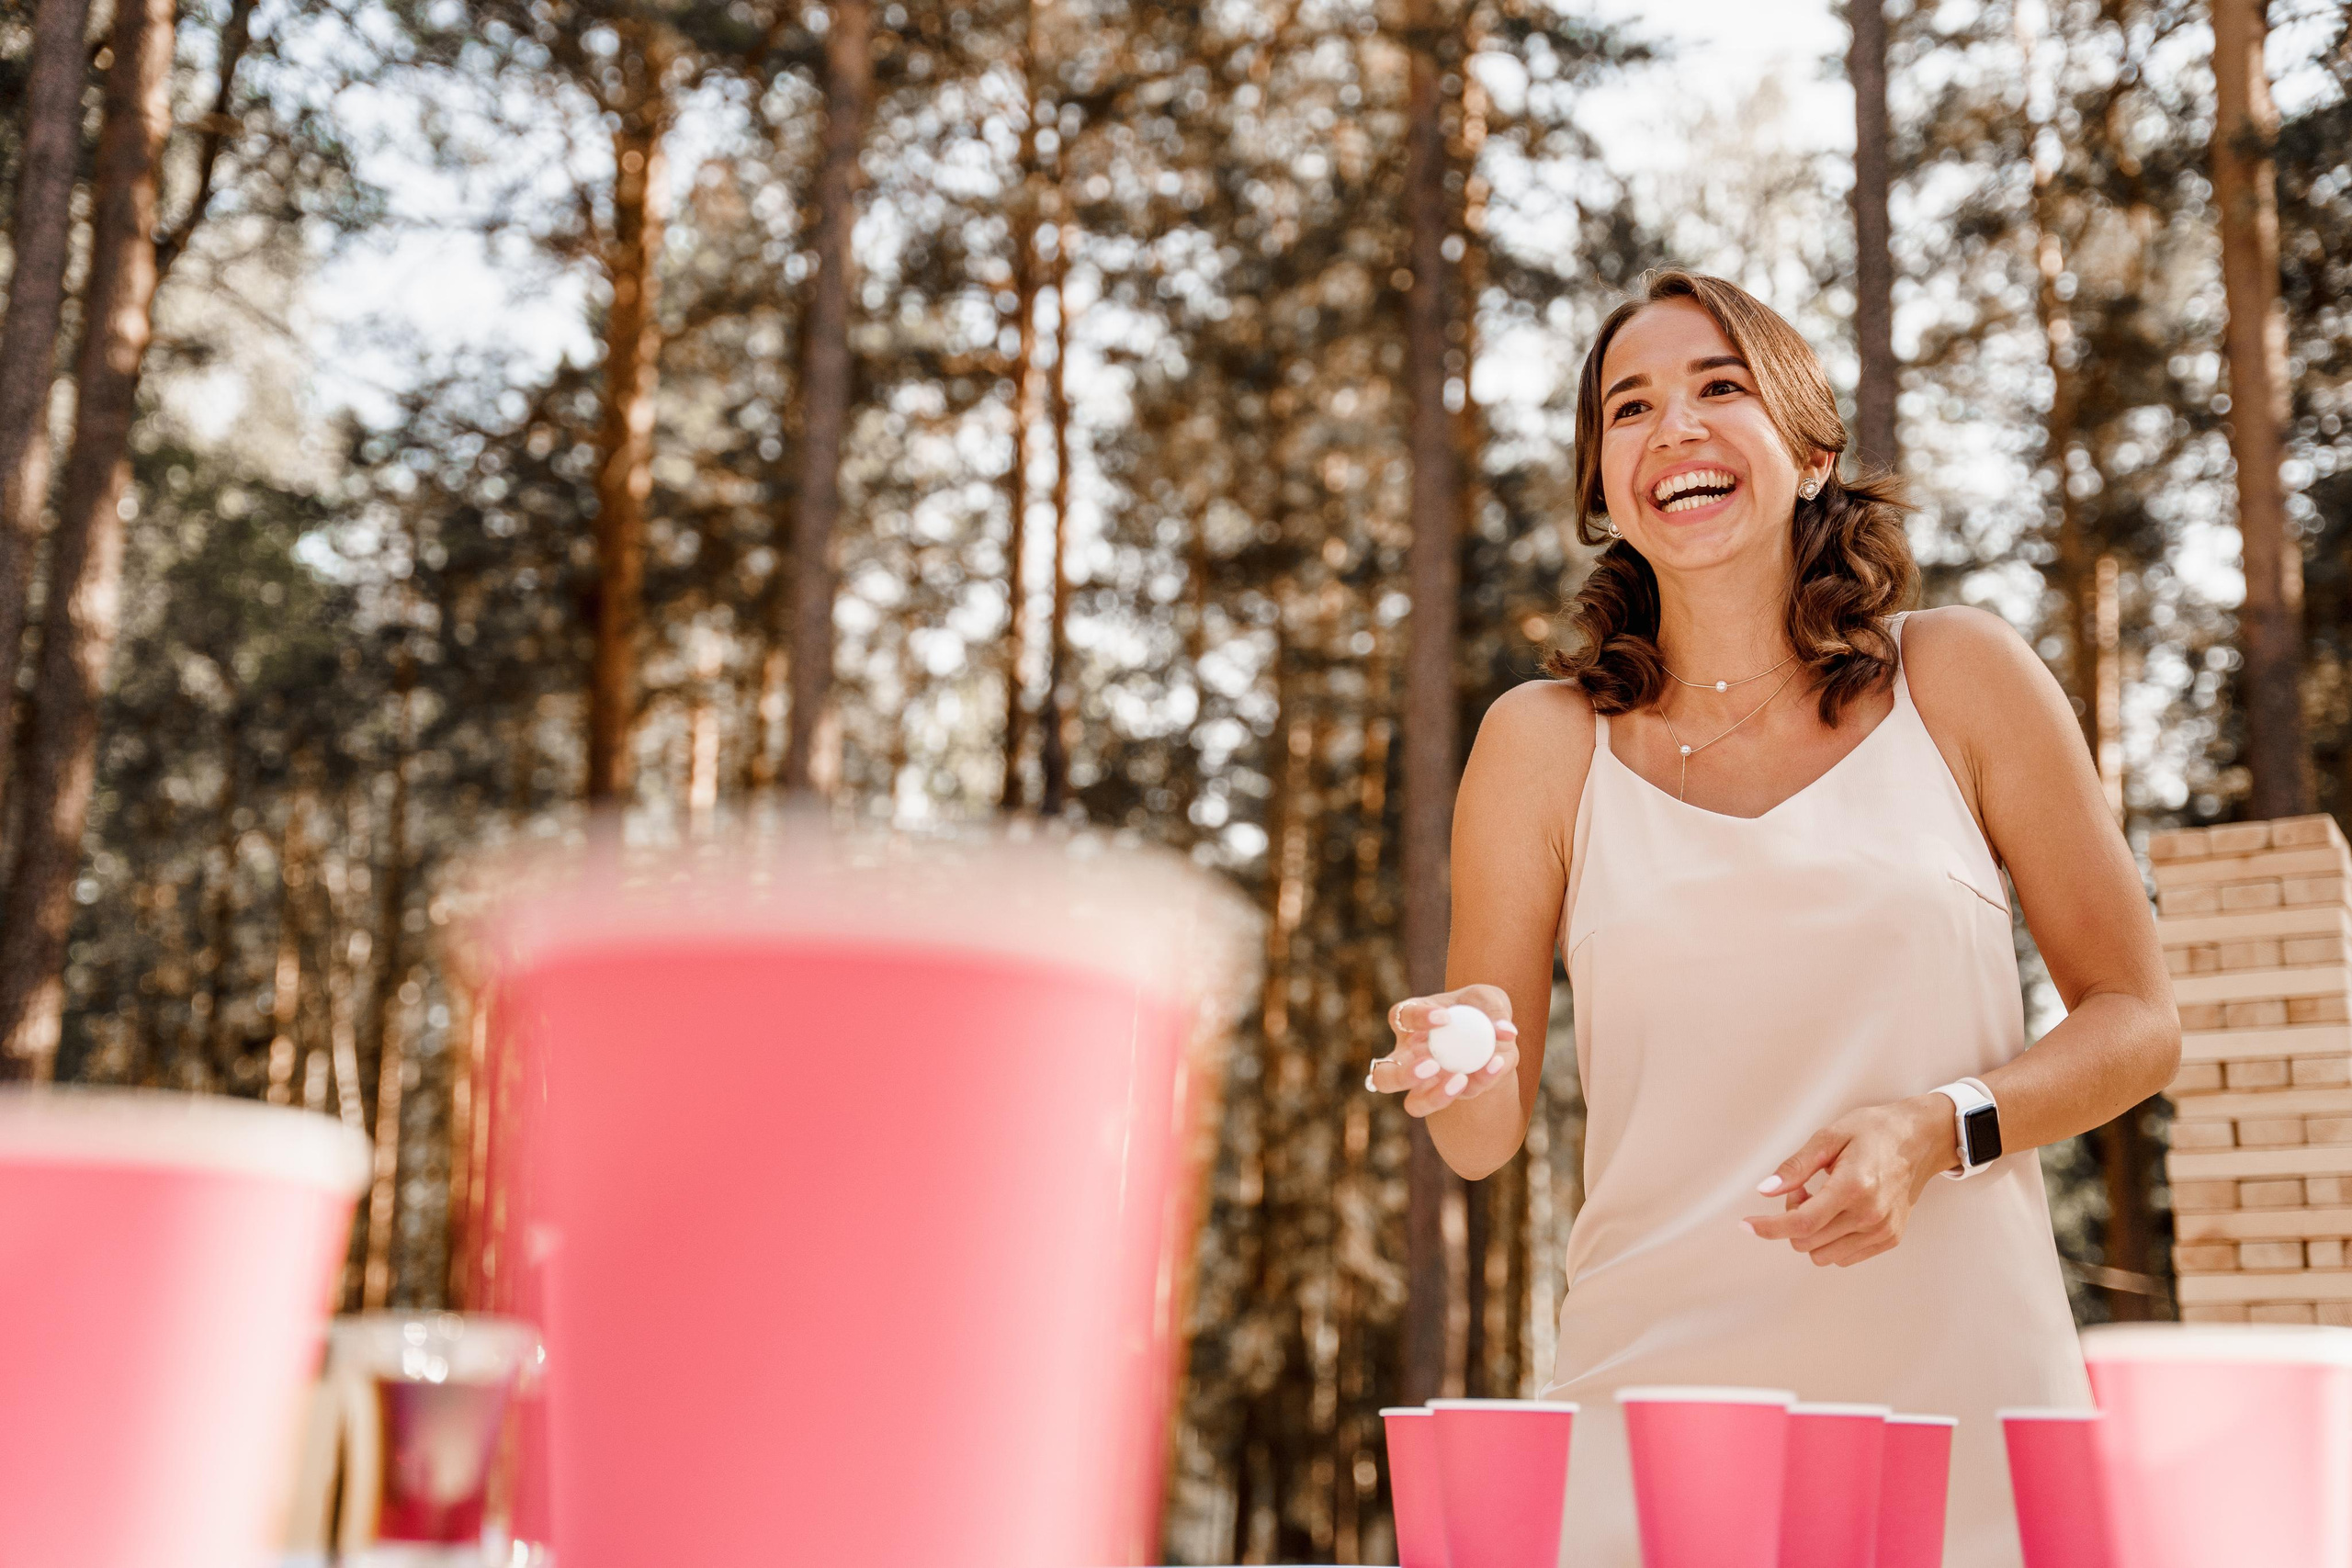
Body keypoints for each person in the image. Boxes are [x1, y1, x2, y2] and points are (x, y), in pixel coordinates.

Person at [1363, 267, 2179, 1568]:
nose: (1674, 427)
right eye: (1630, 407)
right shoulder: (1540, 743)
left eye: (1719, 387)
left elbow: (2136, 1020)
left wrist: (1940, 1128)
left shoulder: (1959, 677)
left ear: (1811, 454)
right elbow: (1481, 1140)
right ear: (1603, 488)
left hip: (1962, 1410)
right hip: (1653, 1421)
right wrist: (1456, 1064)